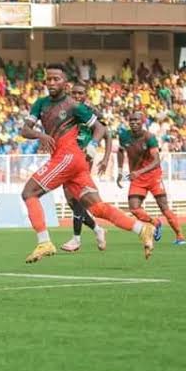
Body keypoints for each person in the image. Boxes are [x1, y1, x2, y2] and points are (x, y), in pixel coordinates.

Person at [20, 64, 155, 263]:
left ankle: (44, 242)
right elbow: (24, 130)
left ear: (65, 83)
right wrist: (40, 135)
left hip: (67, 158)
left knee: (29, 193)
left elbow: (100, 128)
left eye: (56, 79)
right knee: (97, 208)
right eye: (49, 79)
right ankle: (141, 229)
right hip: (74, 163)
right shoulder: (40, 104)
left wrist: (92, 145)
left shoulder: (73, 105)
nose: (52, 82)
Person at [117, 111, 186, 245]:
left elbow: (156, 160)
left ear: (142, 122)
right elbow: (120, 151)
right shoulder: (124, 136)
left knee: (164, 207)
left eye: (136, 120)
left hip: (153, 176)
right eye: (131, 120)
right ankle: (155, 222)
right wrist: (120, 171)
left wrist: (139, 172)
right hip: (137, 178)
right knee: (134, 208)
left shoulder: (149, 137)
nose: (133, 123)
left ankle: (179, 235)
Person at [60, 84, 111, 253]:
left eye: (80, 93)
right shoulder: (66, 110)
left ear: (85, 95)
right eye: (74, 93)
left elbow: (107, 134)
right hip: (67, 158)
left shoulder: (91, 112)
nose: (77, 95)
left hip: (83, 159)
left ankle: (76, 239)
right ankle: (97, 229)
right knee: (72, 202)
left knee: (77, 198)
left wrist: (105, 158)